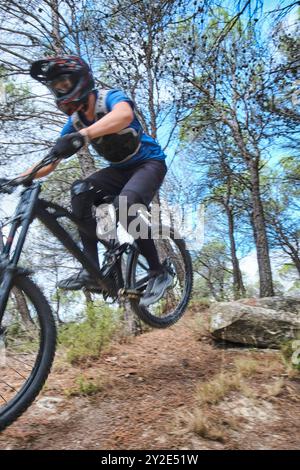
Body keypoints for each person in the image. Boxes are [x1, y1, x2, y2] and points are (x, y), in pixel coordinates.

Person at [25, 55, 173, 307]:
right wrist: (20, 179)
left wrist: (83, 135)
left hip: (148, 164)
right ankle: (92, 269)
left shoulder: (109, 97)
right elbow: (51, 161)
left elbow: (124, 116)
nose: (59, 90)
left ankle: (159, 272)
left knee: (127, 204)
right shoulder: (75, 121)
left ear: (80, 80)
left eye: (63, 83)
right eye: (55, 88)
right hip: (119, 170)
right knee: (81, 190)